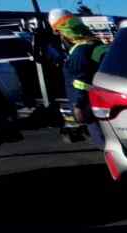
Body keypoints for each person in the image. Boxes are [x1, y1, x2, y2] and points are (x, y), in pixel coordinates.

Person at [49, 9, 108, 145]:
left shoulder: (78, 53)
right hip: (103, 103)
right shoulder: (97, 45)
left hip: (90, 107)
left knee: (103, 141)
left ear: (65, 34)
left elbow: (81, 82)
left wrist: (78, 105)